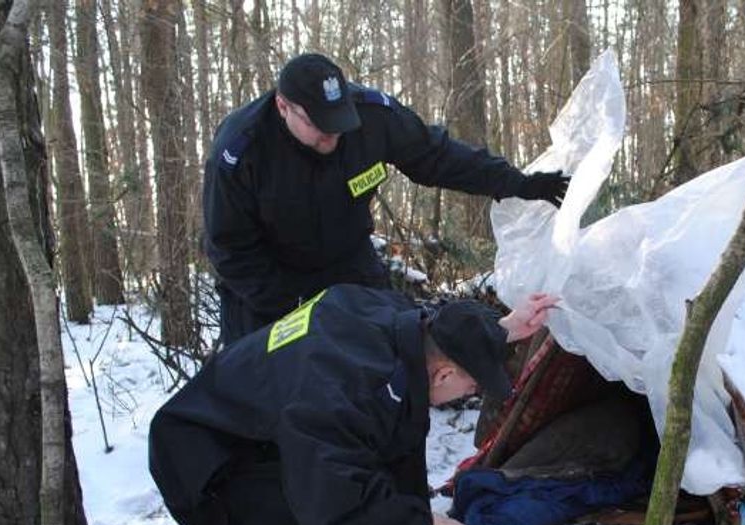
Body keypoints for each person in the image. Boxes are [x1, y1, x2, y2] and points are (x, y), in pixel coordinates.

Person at [148, 285, 557, 525]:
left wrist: (499, 330)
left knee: (398, 424)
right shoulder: (340, 389)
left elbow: (447, 332)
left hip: (260, 432)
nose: (470, 394)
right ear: (446, 372)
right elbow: (334, 502)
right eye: (472, 387)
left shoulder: (398, 330)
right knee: (346, 507)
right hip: (204, 469)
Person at [203, 51, 569, 346]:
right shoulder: (241, 152)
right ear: (284, 107)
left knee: (389, 358)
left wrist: (517, 183)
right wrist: (295, 307)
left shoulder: (372, 116)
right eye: (319, 125)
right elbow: (231, 251)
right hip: (268, 283)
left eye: (338, 123)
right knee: (269, 392)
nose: (332, 137)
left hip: (347, 261)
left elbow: (437, 157)